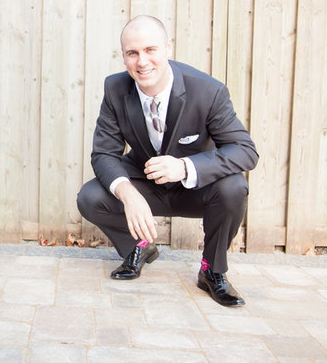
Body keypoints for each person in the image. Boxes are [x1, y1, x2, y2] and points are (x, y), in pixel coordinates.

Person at [76, 15, 258, 307]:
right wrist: (128, 195)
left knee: (234, 187)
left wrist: (186, 166)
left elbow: (245, 150)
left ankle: (212, 270)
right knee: (91, 196)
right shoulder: (115, 89)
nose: (142, 61)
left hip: (195, 190)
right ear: (124, 56)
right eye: (132, 53)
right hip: (146, 187)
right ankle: (140, 247)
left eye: (150, 50)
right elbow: (103, 153)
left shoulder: (208, 91)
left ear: (168, 48)